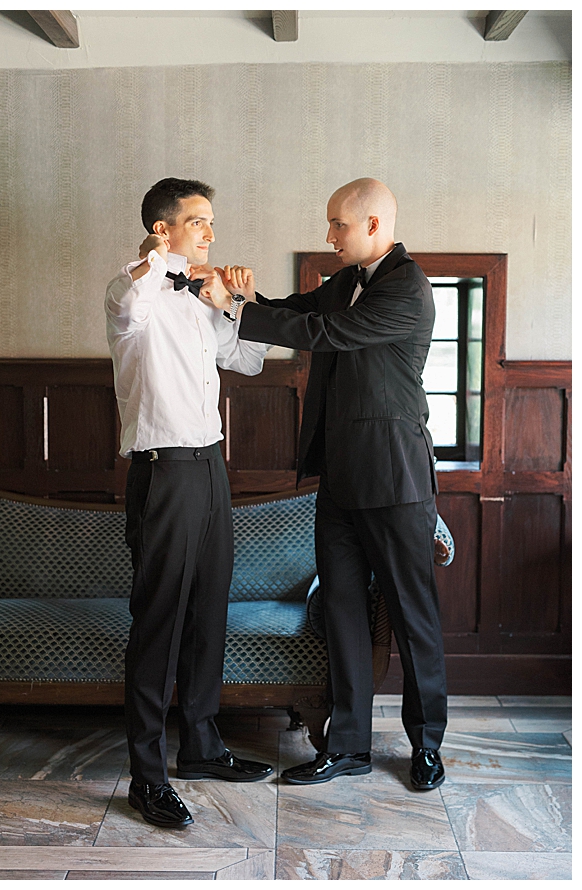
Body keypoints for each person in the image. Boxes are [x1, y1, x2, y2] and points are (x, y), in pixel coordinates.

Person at [197, 178, 447, 791]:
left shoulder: (408, 288)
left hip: (395, 478)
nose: (328, 235)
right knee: (340, 612)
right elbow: (301, 310)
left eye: (337, 224)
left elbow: (325, 335)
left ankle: (427, 746)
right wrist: (247, 296)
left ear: (371, 226)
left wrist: (234, 310)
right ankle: (348, 748)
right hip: (336, 479)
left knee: (413, 619)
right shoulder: (344, 281)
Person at [105, 178, 273, 829]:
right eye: (197, 222)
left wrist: (239, 303)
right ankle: (146, 778)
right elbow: (128, 306)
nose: (209, 232)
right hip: (163, 471)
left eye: (210, 221)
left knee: (209, 609)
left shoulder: (205, 294)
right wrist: (162, 262)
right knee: (158, 624)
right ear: (161, 228)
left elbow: (249, 363)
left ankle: (202, 747)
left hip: (210, 467)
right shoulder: (131, 290)